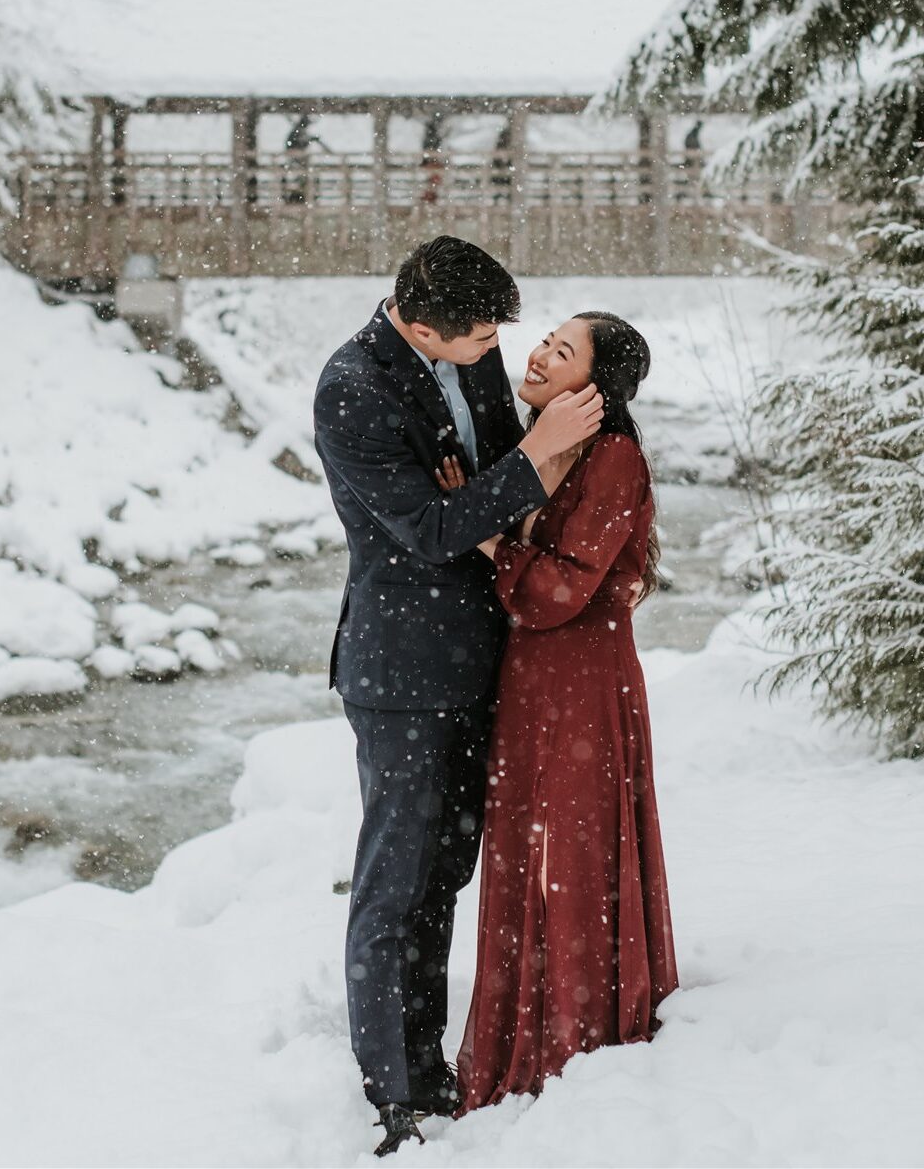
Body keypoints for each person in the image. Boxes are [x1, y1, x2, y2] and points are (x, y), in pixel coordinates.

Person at [312, 235, 605, 1158]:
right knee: (396, 882)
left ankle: (433, 1057)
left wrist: (510, 478)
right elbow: (433, 528)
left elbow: (485, 488)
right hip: (400, 672)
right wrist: (532, 460)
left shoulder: (467, 357)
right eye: (480, 336)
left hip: (488, 654)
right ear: (419, 321)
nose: (495, 352)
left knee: (448, 872)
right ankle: (394, 1090)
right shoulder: (352, 386)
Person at [452, 311, 679, 1113]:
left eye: (563, 351)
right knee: (528, 848)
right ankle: (530, 1027)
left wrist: (486, 541)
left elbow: (553, 592)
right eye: (546, 340)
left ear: (595, 385)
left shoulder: (613, 457)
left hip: (581, 682)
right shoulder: (542, 443)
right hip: (533, 679)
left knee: (570, 851)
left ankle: (574, 1035)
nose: (542, 354)